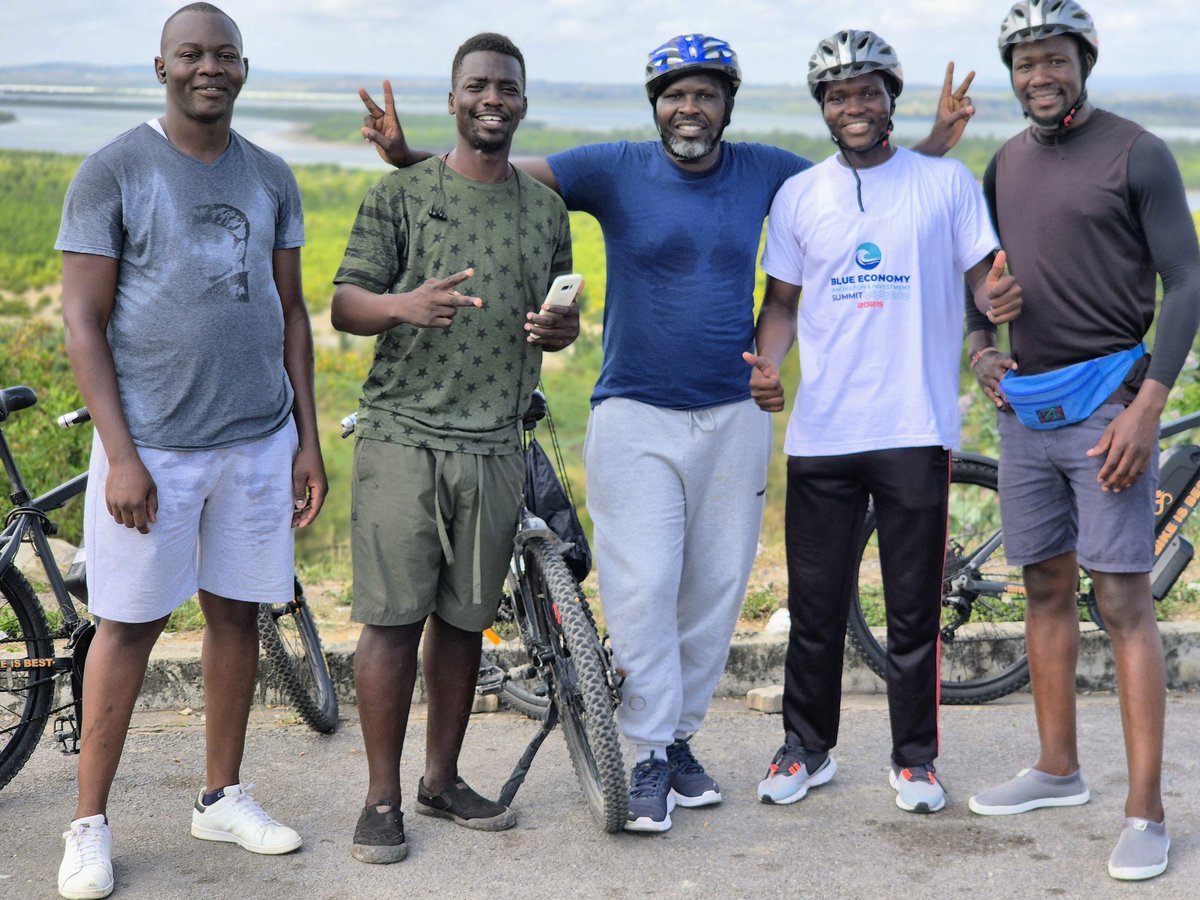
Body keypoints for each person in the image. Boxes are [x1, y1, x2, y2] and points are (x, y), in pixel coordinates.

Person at [358, 32, 977, 833]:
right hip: (635, 411)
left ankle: (680, 741)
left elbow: (861, 178)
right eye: (675, 94)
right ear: (656, 106)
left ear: (727, 106)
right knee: (643, 587)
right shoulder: (612, 167)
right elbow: (494, 173)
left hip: (732, 416)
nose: (691, 107)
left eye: (707, 94)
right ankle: (645, 751)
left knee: (713, 592)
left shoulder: (765, 171)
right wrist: (407, 152)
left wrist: (930, 144)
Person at [53, 4, 326, 898]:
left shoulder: (271, 174)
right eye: (190, 55)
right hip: (154, 449)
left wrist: (306, 443)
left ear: (243, 68)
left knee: (238, 616)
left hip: (256, 441)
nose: (208, 68)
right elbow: (83, 324)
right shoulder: (116, 169)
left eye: (224, 55)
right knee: (127, 625)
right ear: (161, 66)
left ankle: (221, 795)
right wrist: (120, 454)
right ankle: (88, 823)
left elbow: (290, 313)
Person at [744, 29, 1021, 816]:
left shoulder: (946, 182)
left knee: (913, 611)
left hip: (916, 425)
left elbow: (984, 282)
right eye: (838, 94)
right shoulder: (800, 196)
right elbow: (782, 305)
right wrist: (768, 365)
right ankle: (806, 748)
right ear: (823, 108)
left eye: (867, 90)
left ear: (889, 99)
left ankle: (915, 760)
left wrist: (994, 322)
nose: (853, 105)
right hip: (823, 434)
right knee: (817, 606)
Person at [963, 0, 1200, 881]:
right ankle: (1058, 768)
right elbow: (977, 277)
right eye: (1024, 63)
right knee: (1044, 589)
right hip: (1027, 410)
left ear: (1083, 60)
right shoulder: (1005, 164)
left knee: (1124, 603)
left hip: (1111, 406)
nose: (1039, 76)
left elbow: (1186, 282)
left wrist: (1148, 407)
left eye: (1054, 58)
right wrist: (984, 345)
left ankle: (1147, 812)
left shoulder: (1137, 151)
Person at [331, 33, 576, 864]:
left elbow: (556, 316)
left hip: (495, 444)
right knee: (393, 623)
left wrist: (563, 326)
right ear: (454, 99)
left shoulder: (546, 210)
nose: (491, 99)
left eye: (505, 86)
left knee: (465, 622)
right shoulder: (400, 195)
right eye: (476, 85)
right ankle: (381, 798)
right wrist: (402, 307)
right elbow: (344, 304)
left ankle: (440, 781)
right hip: (403, 434)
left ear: (522, 100)